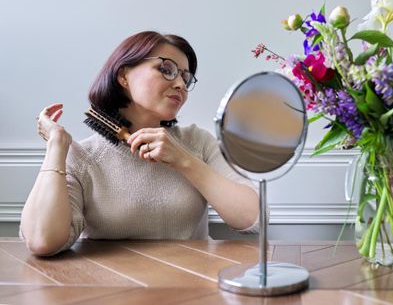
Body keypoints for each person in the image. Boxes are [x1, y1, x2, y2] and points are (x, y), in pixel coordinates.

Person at [20, 31, 260, 256]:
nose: (181, 85)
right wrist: (56, 146)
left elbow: (253, 218)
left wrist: (184, 160)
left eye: (186, 78)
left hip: (193, 287)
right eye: (166, 69)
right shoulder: (84, 156)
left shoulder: (197, 142)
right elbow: (42, 241)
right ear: (123, 76)